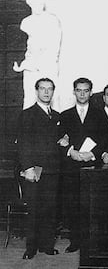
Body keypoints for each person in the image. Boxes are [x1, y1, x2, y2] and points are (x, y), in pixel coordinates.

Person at [17, 78, 61, 259]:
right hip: (35, 169)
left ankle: (47, 245)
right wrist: (27, 168)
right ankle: (31, 248)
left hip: (53, 170)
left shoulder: (57, 116)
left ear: (53, 92)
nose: (46, 92)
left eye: (49, 89)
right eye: (42, 89)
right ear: (36, 91)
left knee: (50, 209)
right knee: (34, 209)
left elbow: (60, 142)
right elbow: (23, 144)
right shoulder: (27, 114)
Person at [60, 77, 103, 253]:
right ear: (74, 92)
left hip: (93, 165)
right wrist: (72, 152)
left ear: (91, 93)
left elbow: (105, 139)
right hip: (71, 166)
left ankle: (93, 242)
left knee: (94, 204)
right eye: (79, 90)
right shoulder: (65, 115)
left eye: (86, 90)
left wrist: (92, 154)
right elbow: (59, 140)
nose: (82, 94)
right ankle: (75, 241)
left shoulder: (100, 114)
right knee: (73, 204)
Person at [13, 0, 61, 110]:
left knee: (52, 97)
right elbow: (26, 46)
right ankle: (27, 126)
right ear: (29, 3)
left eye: (40, 2)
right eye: (35, 3)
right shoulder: (26, 22)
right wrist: (27, 64)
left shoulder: (52, 20)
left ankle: (54, 125)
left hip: (48, 64)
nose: (38, 5)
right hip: (30, 66)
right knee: (29, 98)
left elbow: (54, 47)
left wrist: (41, 63)